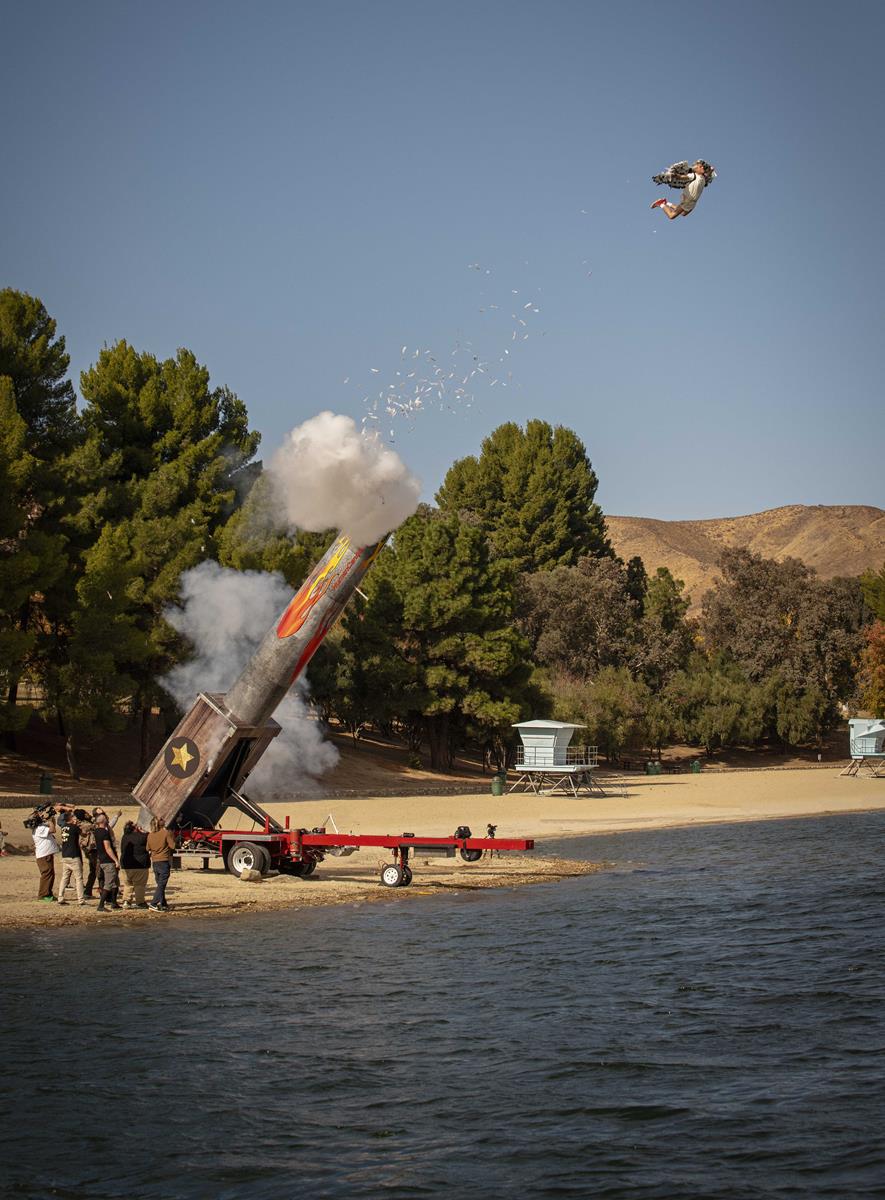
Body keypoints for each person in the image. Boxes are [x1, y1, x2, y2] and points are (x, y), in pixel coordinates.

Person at [651, 160, 715, 220]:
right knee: (671, 216)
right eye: (700, 166)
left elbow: (708, 174)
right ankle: (661, 204)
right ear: (696, 169)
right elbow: (681, 177)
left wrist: (711, 170)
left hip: (693, 202)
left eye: (702, 166)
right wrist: (674, 175)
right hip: (687, 199)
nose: (702, 167)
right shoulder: (693, 175)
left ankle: (667, 203)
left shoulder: (703, 178)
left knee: (683, 213)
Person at [83, 805, 122, 898]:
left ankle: (111, 893)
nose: (104, 815)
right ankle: (104, 895)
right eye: (101, 814)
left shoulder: (105, 827)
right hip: (99, 853)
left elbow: (110, 824)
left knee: (107, 874)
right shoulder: (96, 828)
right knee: (100, 874)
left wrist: (116, 816)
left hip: (105, 852)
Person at [56, 807, 86, 906]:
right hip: (74, 855)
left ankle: (60, 897)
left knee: (64, 877)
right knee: (79, 878)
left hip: (65, 855)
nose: (75, 819)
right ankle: (81, 899)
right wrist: (79, 826)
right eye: (74, 817)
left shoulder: (64, 827)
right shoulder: (74, 827)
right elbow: (84, 834)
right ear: (71, 819)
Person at [146, 818, 176, 912]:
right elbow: (173, 846)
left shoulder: (150, 835)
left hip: (155, 862)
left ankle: (163, 904)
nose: (164, 819)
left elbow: (148, 848)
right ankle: (153, 903)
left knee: (160, 884)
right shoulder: (165, 833)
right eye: (162, 819)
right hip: (164, 861)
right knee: (162, 884)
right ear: (160, 823)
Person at [93, 813, 122, 912]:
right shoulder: (104, 833)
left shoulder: (96, 831)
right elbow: (108, 848)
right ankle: (101, 905)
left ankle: (114, 903)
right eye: (106, 819)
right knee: (109, 883)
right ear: (103, 821)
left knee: (115, 882)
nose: (107, 819)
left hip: (102, 859)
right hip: (108, 860)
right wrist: (116, 860)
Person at [119, 820, 150, 909]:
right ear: (136, 828)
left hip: (126, 865)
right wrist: (142, 831)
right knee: (139, 885)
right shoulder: (142, 837)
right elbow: (148, 835)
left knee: (128, 884)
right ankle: (140, 902)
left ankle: (126, 901)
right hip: (140, 865)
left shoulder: (125, 837)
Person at [31, 807, 59, 902]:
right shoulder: (39, 828)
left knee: (50, 874)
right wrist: (48, 820)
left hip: (46, 854)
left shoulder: (41, 826)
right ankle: (43, 895)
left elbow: (52, 825)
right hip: (44, 855)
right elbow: (53, 829)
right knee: (46, 874)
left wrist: (50, 818)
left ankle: (48, 893)